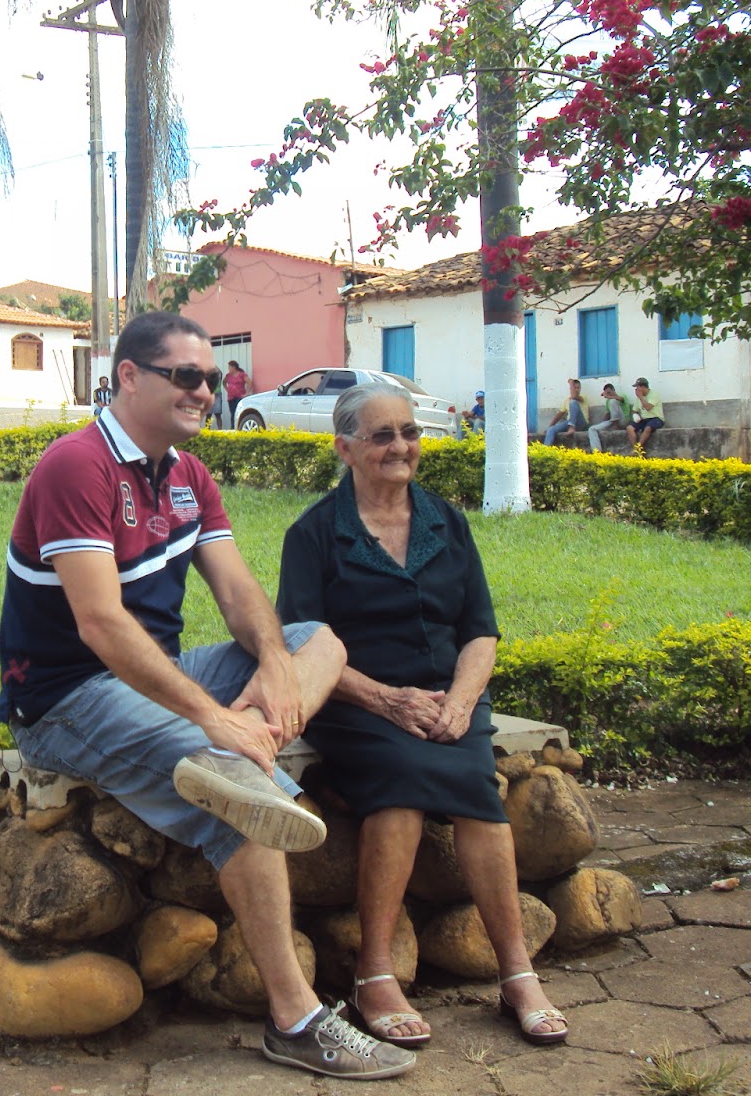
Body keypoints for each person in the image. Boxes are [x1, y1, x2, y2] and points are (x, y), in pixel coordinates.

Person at [0, 312, 415, 1081]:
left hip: (152, 676)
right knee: (250, 801)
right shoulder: (76, 467)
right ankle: (296, 1020)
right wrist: (211, 716)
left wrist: (273, 666)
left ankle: (239, 752)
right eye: (185, 376)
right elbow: (99, 624)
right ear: (129, 377)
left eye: (213, 378)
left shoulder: (187, 475)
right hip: (65, 700)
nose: (206, 390)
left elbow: (239, 591)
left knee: (316, 639)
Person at [276, 382, 569, 1050]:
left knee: (477, 794)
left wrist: (462, 701)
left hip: (447, 698)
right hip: (354, 703)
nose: (402, 447)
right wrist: (388, 700)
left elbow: (481, 632)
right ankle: (375, 974)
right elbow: (297, 640)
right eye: (382, 436)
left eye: (409, 432)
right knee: (401, 786)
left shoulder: (447, 521)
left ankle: (517, 973)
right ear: (344, 448)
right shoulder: (316, 533)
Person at [542, 378, 590, 446]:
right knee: (551, 429)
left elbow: (574, 396)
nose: (576, 389)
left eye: (578, 388)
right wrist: (549, 427)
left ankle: (572, 427)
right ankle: (545, 450)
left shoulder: (583, 397)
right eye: (574, 388)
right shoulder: (567, 400)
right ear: (570, 389)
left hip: (581, 423)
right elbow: (559, 415)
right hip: (569, 423)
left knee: (573, 402)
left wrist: (571, 382)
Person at [586, 382, 628, 453]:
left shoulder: (622, 396)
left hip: (623, 420)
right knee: (592, 429)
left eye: (609, 392)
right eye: (607, 393)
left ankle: (616, 425)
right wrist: (602, 424)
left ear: (613, 390)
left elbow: (620, 399)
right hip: (612, 421)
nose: (608, 395)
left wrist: (608, 397)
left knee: (613, 401)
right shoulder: (608, 401)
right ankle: (597, 451)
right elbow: (608, 415)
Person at [626, 377, 665, 452]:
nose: (636, 390)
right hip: (644, 419)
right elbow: (634, 410)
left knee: (648, 428)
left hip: (656, 418)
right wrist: (636, 416)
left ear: (643, 387)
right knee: (629, 428)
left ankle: (638, 448)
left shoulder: (654, 395)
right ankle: (637, 450)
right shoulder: (639, 398)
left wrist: (640, 397)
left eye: (637, 387)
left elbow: (648, 407)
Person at [223, 360, 250, 426]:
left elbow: (249, 383)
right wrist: (227, 389)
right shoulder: (228, 375)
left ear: (234, 367)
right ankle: (233, 427)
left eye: (229, 367)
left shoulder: (242, 374)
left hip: (239, 396)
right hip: (231, 397)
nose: (228, 369)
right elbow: (224, 382)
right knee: (232, 413)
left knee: (239, 412)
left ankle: (239, 426)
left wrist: (246, 393)